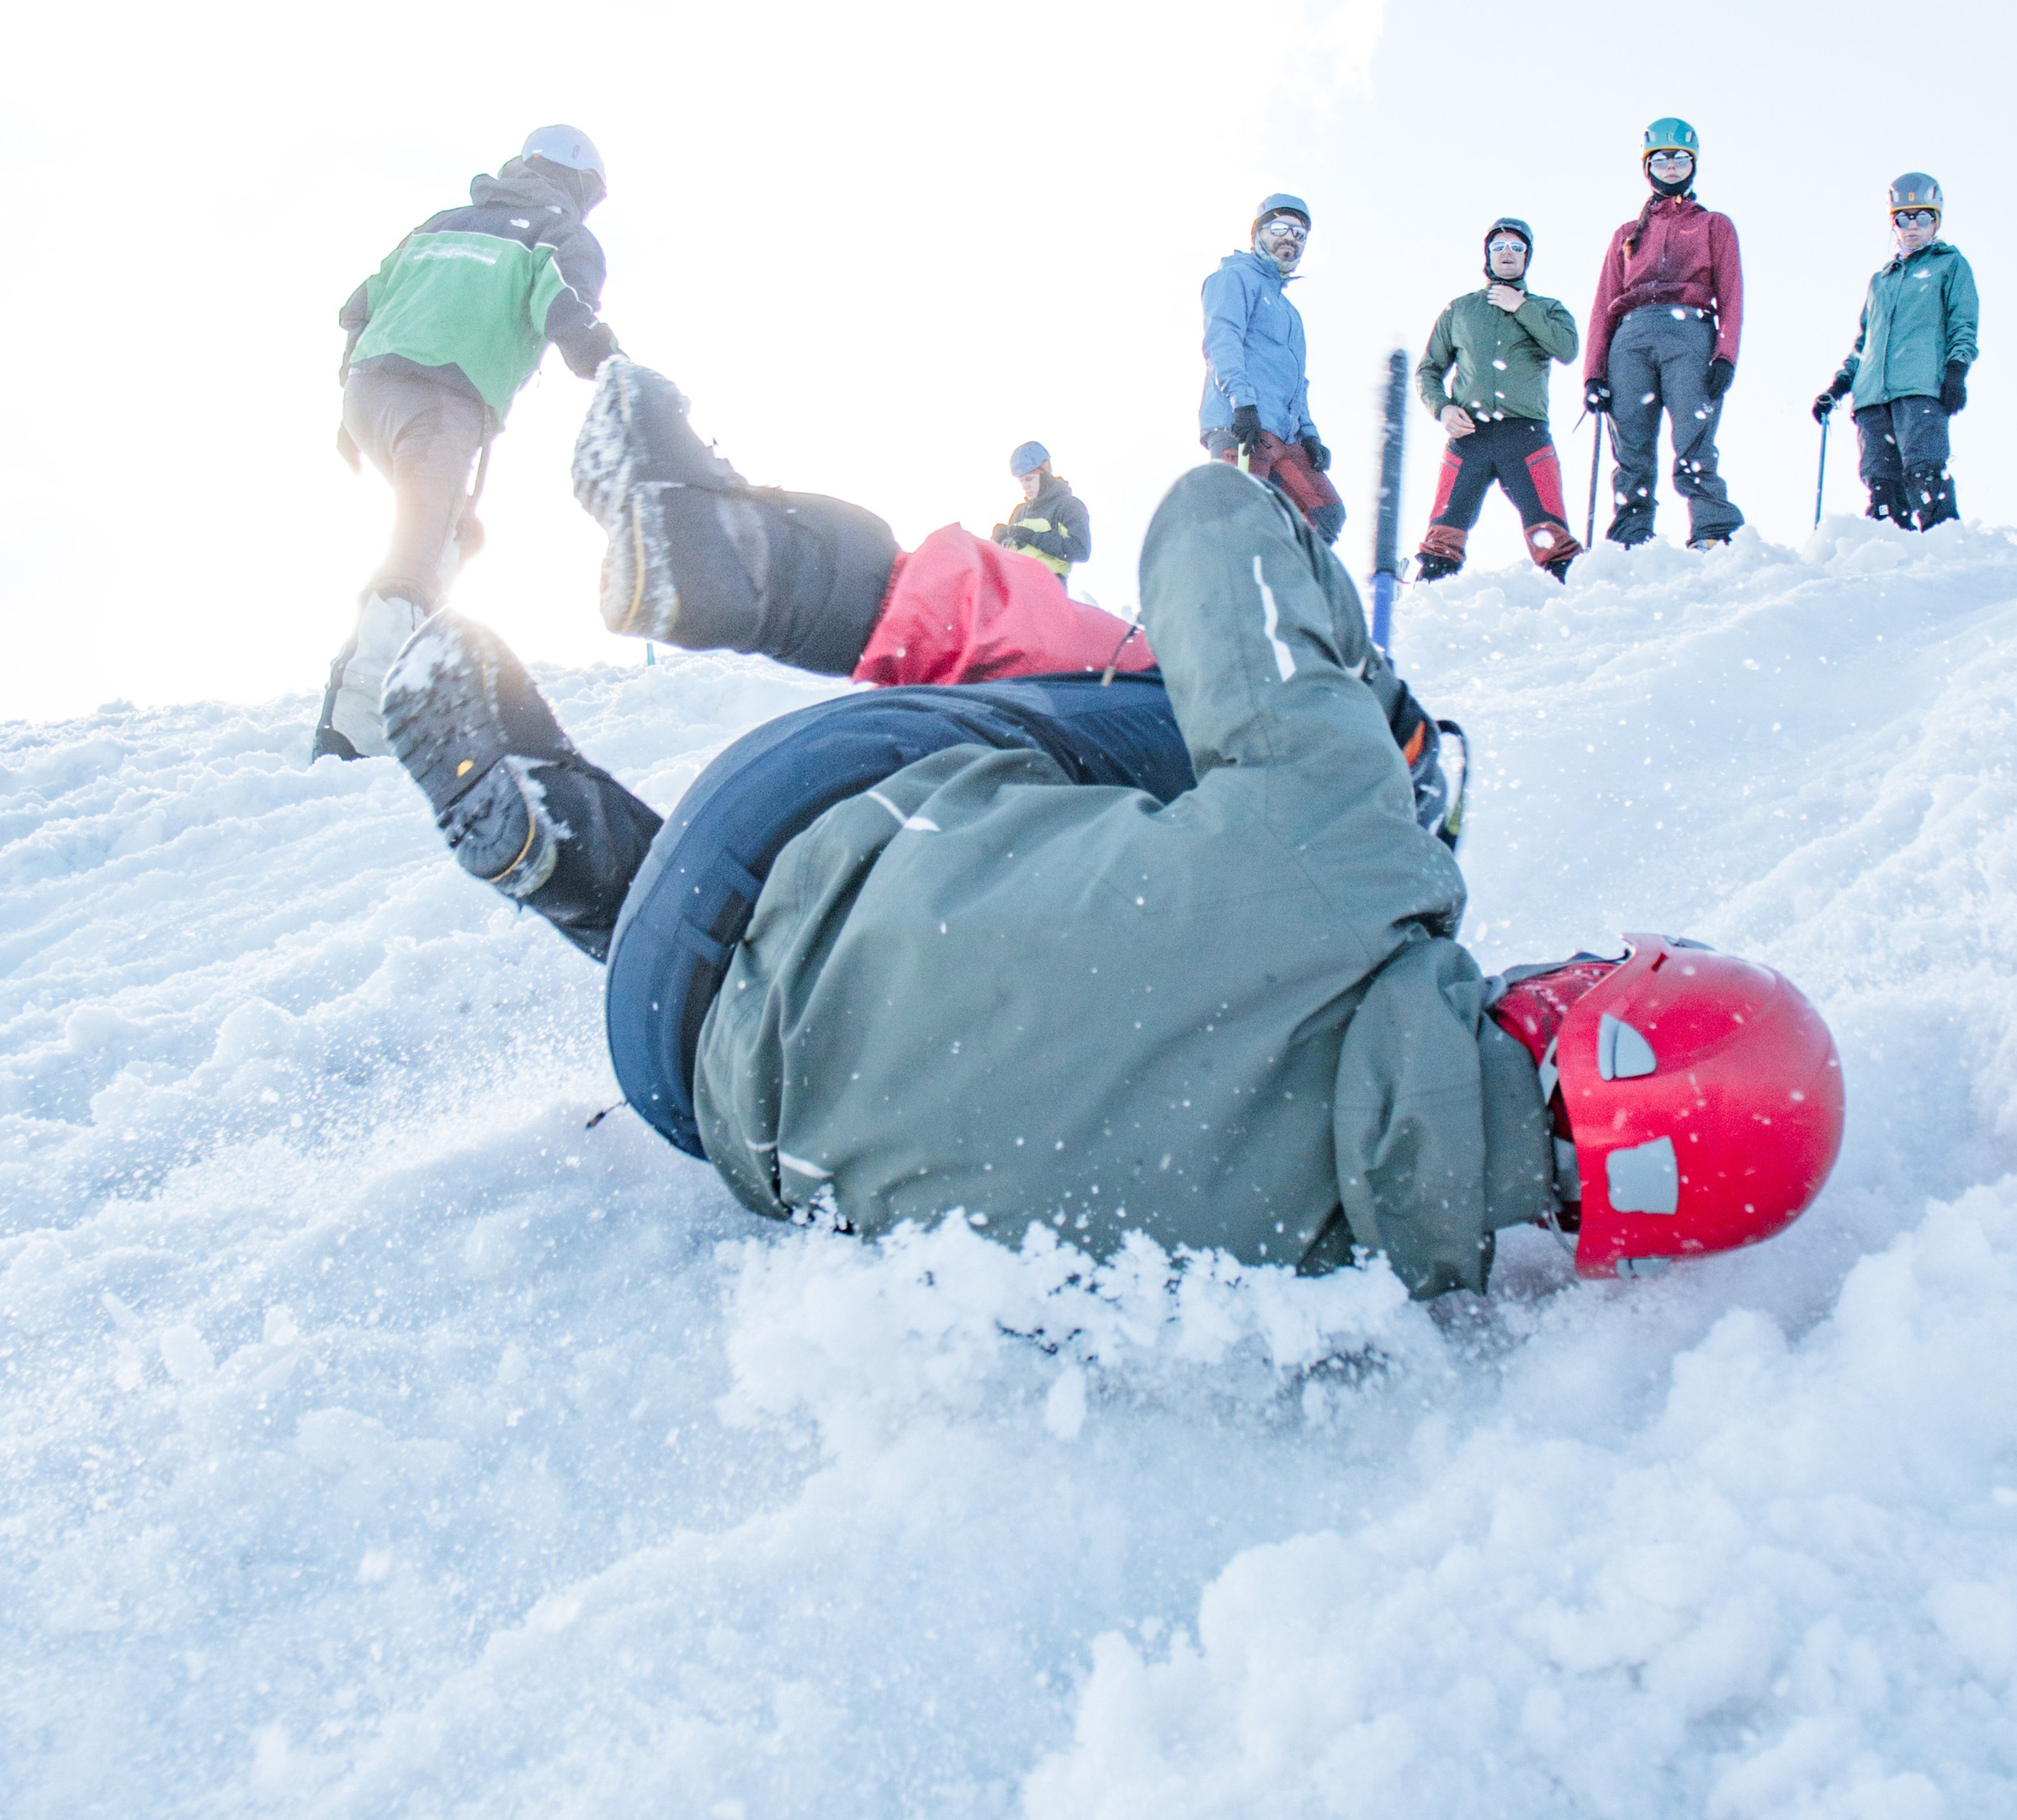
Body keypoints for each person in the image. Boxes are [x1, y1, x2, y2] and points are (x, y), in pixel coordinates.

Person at [376, 378, 1844, 1298]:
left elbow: (1210, 519)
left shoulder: (1357, 855)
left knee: (1165, 702)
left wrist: (1369, 719)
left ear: (1590, 1006)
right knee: (975, 1029)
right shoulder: (1329, 1272)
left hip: (793, 819)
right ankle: (575, 860)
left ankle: (750, 565)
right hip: (682, 1068)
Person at [313, 125, 621, 762]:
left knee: (456, 535)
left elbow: (361, 307)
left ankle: (410, 677)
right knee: (418, 557)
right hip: (441, 404)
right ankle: (354, 731)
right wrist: (614, 368)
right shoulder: (556, 233)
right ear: (580, 185)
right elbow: (566, 306)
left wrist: (349, 415)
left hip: (369, 391)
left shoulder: (440, 224)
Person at [1583, 119, 1746, 549]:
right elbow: (1603, 306)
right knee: (1631, 445)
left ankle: (1712, 529)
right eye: (1660, 159)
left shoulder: (1713, 225)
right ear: (1647, 167)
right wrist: (1594, 374)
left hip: (1689, 334)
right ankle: (1631, 535)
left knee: (1693, 438)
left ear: (1693, 164)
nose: (1670, 166)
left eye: (1679, 158)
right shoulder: (1627, 235)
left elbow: (1731, 295)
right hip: (1631, 340)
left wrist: (1726, 356)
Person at [1413, 219, 1582, 582]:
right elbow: (1427, 371)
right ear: (1487, 255)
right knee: (1443, 536)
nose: (1507, 253)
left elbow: (1567, 349)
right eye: (1499, 247)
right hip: (1468, 437)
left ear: (1527, 257)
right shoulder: (1459, 310)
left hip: (1526, 436)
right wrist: (1443, 408)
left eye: (1517, 247)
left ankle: (1571, 598)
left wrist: (1521, 307)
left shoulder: (1548, 308)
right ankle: (1427, 599)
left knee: (1550, 535)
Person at [1813, 173, 1979, 531]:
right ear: (1894, 223)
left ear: (1936, 221)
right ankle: (1890, 549)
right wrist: (1838, 387)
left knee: (1924, 471)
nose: (1913, 226)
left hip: (1919, 388)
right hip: (1872, 398)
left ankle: (1943, 542)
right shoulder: (1881, 280)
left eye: (1923, 217)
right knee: (1882, 485)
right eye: (1904, 218)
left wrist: (1956, 371)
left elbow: (1963, 324)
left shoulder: (1949, 265)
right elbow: (1864, 343)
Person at [1198, 194, 1344, 543]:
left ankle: (1289, 577)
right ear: (1257, 234)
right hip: (1243, 426)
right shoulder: (1233, 279)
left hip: (1285, 436)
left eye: (1299, 234)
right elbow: (1222, 342)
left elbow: (1296, 382)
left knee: (1325, 513)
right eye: (1280, 228)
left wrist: (1309, 434)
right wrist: (1243, 404)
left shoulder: (1290, 312)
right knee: (1242, 524)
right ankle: (1228, 575)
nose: (1289, 239)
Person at [994, 442, 1092, 578]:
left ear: (1045, 468)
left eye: (1029, 479)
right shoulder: (1020, 512)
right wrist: (998, 542)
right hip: (1016, 583)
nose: (1025, 486)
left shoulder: (1068, 507)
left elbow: (1080, 550)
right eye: (1021, 481)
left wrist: (1032, 536)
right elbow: (1011, 553)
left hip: (1048, 583)